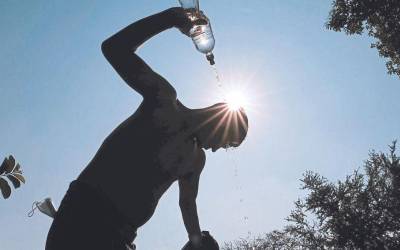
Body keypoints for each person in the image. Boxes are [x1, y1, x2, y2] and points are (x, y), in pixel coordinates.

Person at [45, 7, 248, 250]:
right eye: (225, 142)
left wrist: (196, 242)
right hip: (85, 214)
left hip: (121, 235)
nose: (216, 149)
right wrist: (169, 19)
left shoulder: (195, 160)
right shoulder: (163, 101)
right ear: (220, 120)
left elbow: (187, 203)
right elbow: (114, 49)